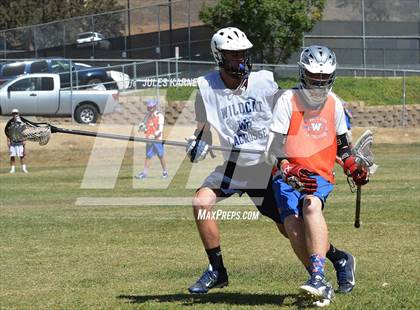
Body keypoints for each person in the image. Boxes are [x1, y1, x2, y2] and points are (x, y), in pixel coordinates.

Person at [186, 29, 357, 296]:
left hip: (268, 166)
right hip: (234, 165)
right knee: (201, 202)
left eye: (243, 54)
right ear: (219, 56)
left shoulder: (265, 82)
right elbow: (203, 133)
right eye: (233, 55)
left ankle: (335, 259)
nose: (240, 60)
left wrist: (336, 151)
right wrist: (198, 144)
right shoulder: (205, 88)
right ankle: (217, 269)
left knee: (290, 228)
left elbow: (293, 118)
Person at [265, 45, 369, 305]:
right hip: (287, 175)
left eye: (325, 78)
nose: (319, 83)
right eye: (314, 77)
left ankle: (319, 279)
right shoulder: (287, 101)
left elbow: (344, 147)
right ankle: (322, 277)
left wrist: (353, 166)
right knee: (291, 226)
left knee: (311, 207)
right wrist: (287, 167)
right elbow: (274, 147)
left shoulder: (334, 104)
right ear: (303, 74)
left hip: (318, 173)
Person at [135, 99, 169, 179]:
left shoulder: (159, 116)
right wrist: (143, 129)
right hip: (149, 140)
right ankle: (144, 173)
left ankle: (165, 172)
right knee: (148, 156)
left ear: (154, 107)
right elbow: (147, 127)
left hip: (157, 140)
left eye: (151, 107)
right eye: (149, 107)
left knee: (160, 156)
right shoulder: (147, 116)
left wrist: (153, 135)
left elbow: (160, 130)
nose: (150, 109)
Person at [5, 109, 28, 174]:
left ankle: (24, 169)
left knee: (22, 156)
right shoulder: (10, 123)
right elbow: (8, 132)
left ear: (18, 113)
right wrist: (8, 141)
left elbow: (24, 132)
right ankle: (12, 169)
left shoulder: (22, 122)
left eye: (16, 113)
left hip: (20, 142)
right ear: (12, 114)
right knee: (12, 156)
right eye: (14, 113)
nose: (15, 114)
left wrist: (24, 140)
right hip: (13, 143)